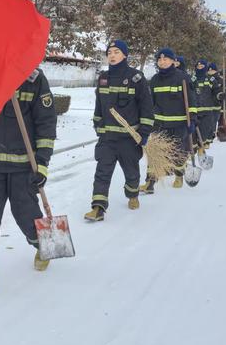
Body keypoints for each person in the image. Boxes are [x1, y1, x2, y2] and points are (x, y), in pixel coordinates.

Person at [0, 68, 57, 299]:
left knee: (26, 215)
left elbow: (46, 126)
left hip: (23, 167)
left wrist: (42, 164)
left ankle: (43, 247)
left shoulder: (34, 80)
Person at [84, 40, 154, 221]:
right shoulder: (103, 78)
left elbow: (146, 107)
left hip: (129, 139)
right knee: (102, 172)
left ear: (124, 55)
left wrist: (144, 133)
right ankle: (98, 207)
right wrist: (98, 126)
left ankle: (132, 194)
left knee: (131, 172)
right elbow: (99, 105)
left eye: (116, 52)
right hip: (107, 138)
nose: (112, 55)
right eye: (109, 52)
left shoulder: (136, 78)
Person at [140, 48, 197, 192]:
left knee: (177, 152)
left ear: (173, 61)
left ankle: (179, 175)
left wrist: (192, 121)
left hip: (179, 124)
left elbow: (191, 102)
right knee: (154, 152)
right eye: (159, 59)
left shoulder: (183, 78)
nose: (162, 62)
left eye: (165, 59)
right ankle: (150, 182)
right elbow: (149, 103)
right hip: (158, 124)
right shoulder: (154, 80)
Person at [191, 59, 219, 149]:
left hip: (207, 110)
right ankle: (195, 148)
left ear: (205, 68)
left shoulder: (210, 79)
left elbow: (216, 91)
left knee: (205, 130)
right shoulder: (192, 79)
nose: (200, 68)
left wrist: (219, 96)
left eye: (202, 67)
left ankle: (202, 148)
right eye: (198, 67)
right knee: (193, 133)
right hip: (194, 110)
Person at [207, 63, 224, 140]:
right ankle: (208, 134)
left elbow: (224, 91)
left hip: (216, 104)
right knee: (207, 121)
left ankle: (212, 133)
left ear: (216, 71)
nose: (211, 72)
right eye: (209, 70)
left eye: (212, 70)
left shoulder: (220, 80)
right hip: (206, 104)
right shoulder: (205, 78)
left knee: (214, 120)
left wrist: (222, 96)